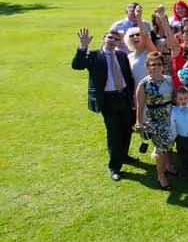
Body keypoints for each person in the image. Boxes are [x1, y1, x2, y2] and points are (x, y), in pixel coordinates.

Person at [72, 28, 136, 181]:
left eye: (115, 38)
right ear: (103, 39)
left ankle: (124, 155)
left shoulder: (121, 56)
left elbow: (127, 76)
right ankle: (115, 167)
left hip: (124, 97)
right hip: (108, 100)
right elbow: (77, 65)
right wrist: (83, 46)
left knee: (127, 128)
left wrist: (132, 95)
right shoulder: (94, 56)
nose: (112, 40)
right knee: (113, 133)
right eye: (109, 37)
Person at [135, 52, 175, 190]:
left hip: (170, 118)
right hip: (154, 121)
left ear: (163, 66)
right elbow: (140, 105)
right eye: (153, 64)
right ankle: (161, 175)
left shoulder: (169, 80)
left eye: (159, 64)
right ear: (147, 66)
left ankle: (168, 166)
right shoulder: (143, 84)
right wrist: (139, 124)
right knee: (162, 147)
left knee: (169, 143)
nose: (156, 67)